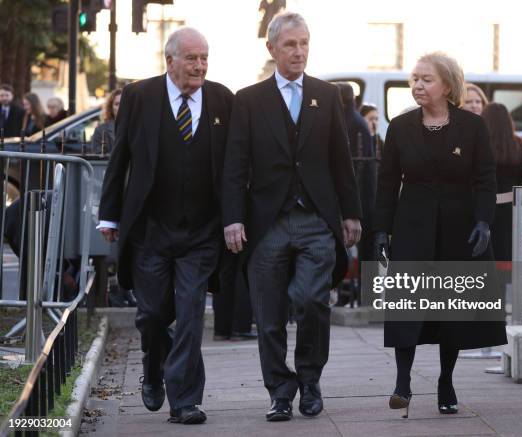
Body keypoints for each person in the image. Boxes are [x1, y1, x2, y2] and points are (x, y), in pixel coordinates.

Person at [223, 12, 362, 422]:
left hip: (316, 219)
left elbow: (342, 159)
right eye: (290, 45)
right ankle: (280, 392)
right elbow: (235, 164)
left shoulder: (327, 94)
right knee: (267, 316)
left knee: (311, 300)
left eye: (304, 43)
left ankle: (310, 380)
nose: (299, 51)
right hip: (266, 223)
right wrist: (233, 218)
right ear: (272, 49)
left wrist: (350, 212)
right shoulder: (248, 100)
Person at [98, 27, 233, 425]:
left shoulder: (222, 99)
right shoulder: (140, 97)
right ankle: (153, 364)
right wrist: (110, 214)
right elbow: (120, 157)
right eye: (192, 58)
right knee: (153, 314)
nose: (200, 66)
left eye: (204, 57)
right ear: (169, 60)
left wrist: (235, 217)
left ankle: (185, 400)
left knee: (191, 314)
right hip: (151, 230)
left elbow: (232, 165)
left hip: (201, 232)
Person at [373, 52, 507, 417]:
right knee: (407, 307)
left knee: (452, 312)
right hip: (412, 227)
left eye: (426, 79)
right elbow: (386, 184)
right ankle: (402, 382)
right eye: (414, 78)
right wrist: (381, 230)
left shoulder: (472, 127)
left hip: (458, 229)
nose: (417, 85)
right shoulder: (399, 128)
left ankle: (446, 380)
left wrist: (484, 220)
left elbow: (485, 179)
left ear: (447, 85)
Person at [337, 83, 376, 304]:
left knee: (358, 248)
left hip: (358, 195)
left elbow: (356, 165)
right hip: (362, 194)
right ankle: (357, 294)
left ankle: (358, 295)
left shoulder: (350, 121)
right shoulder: (355, 120)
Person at [482, 103, 522, 261]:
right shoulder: (519, 146)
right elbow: (521, 181)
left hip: (482, 205)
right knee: (505, 249)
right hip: (510, 207)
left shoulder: (479, 146)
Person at [91, 89, 122, 154]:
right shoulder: (100, 130)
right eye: (117, 104)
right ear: (111, 107)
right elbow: (98, 157)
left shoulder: (137, 128)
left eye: (123, 103)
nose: (120, 107)